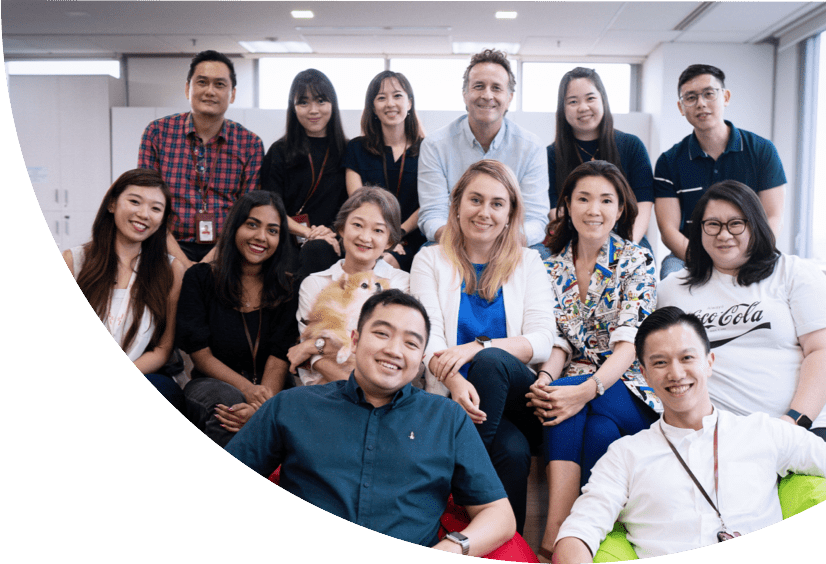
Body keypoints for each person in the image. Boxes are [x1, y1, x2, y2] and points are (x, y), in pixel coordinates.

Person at [226, 289, 516, 555]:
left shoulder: (447, 418)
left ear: (421, 357)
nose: (394, 350)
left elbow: (499, 515)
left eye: (411, 343)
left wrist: (449, 551)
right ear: (354, 340)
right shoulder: (291, 406)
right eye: (381, 333)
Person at [553, 307, 826, 563]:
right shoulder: (625, 455)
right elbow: (577, 534)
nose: (676, 373)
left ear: (709, 362)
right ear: (645, 375)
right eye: (660, 363)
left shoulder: (764, 432)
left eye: (687, 358)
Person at [410, 159, 562, 535]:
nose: (485, 212)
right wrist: (458, 384)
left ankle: (455, 474)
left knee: (492, 361)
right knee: (510, 453)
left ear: (510, 214)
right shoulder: (429, 259)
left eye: (497, 203)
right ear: (457, 205)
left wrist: (477, 348)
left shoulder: (528, 262)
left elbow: (544, 339)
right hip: (457, 396)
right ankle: (509, 552)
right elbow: (429, 342)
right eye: (475, 200)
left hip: (516, 395)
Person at [527, 160, 661, 560]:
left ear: (620, 209)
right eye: (583, 198)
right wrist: (545, 377)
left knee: (566, 398)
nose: (594, 209)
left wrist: (585, 389)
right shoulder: (550, 267)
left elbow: (629, 346)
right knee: (599, 431)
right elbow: (560, 341)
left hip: (631, 386)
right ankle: (586, 536)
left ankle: (553, 536)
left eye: (606, 200)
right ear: (567, 205)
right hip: (581, 392)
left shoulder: (637, 262)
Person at [657, 180, 826, 439]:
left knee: (807, 482)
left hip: (799, 429)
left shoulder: (794, 273)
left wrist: (793, 421)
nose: (724, 235)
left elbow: (820, 350)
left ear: (755, 225)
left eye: (736, 224)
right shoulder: (672, 289)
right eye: (712, 224)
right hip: (715, 438)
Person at [176, 191, 299, 447]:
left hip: (271, 390)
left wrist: (262, 407)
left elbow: (279, 357)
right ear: (235, 226)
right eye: (252, 224)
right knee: (230, 410)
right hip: (213, 385)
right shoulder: (200, 278)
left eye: (272, 230)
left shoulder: (287, 287)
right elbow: (201, 354)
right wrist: (248, 390)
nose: (261, 237)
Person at [63, 168, 186, 412]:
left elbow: (162, 349)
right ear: (112, 204)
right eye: (134, 201)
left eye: (155, 208)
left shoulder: (172, 270)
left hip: (140, 375)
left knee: (161, 391)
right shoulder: (75, 261)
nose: (143, 214)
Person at [654, 64, 786, 279]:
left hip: (750, 253)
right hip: (691, 255)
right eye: (691, 97)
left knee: (784, 277)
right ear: (681, 107)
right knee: (671, 274)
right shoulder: (669, 161)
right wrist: (707, 265)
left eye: (709, 94)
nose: (701, 104)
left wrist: (744, 259)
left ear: (725, 97)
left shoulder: (762, 150)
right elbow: (669, 232)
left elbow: (773, 216)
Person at [417, 48, 550, 256]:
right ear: (465, 94)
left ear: (509, 97)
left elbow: (535, 220)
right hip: (455, 242)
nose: (487, 95)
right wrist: (470, 244)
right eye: (478, 86)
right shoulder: (435, 145)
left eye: (496, 88)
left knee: (540, 257)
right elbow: (433, 215)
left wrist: (495, 244)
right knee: (426, 254)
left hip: (510, 245)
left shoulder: (531, 147)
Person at [139, 50, 264, 268]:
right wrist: (182, 263)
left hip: (226, 250)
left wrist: (207, 264)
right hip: (166, 245)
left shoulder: (249, 144)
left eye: (219, 84)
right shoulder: (158, 133)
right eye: (202, 82)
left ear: (232, 94)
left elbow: (246, 214)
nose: (209, 91)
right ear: (188, 88)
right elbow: (148, 204)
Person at [287, 187, 409, 386]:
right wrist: (360, 388)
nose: (365, 237)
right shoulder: (315, 284)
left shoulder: (401, 284)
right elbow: (308, 359)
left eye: (378, 230)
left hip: (385, 394)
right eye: (358, 225)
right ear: (342, 228)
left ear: (390, 241)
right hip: (326, 389)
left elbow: (395, 352)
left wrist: (317, 346)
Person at [548, 67, 654, 250]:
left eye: (590, 98)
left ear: (603, 100)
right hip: (573, 239)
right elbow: (554, 210)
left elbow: (643, 204)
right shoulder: (551, 155)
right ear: (562, 108)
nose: (583, 108)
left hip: (627, 237)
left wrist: (628, 246)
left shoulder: (631, 145)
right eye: (573, 101)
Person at [261, 69, 347, 279]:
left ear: (332, 104)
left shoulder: (347, 151)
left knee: (319, 251)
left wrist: (328, 234)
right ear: (293, 107)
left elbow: (351, 206)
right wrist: (308, 233)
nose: (313, 110)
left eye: (320, 101)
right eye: (304, 102)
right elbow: (271, 208)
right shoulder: (279, 151)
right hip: (287, 238)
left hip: (334, 240)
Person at [344, 70, 426, 272]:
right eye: (381, 98)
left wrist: (395, 236)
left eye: (397, 95)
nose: (390, 103)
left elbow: (428, 202)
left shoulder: (428, 150)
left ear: (409, 103)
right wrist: (380, 237)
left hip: (411, 238)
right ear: (373, 107)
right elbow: (359, 202)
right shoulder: (356, 148)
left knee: (389, 264)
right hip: (367, 235)